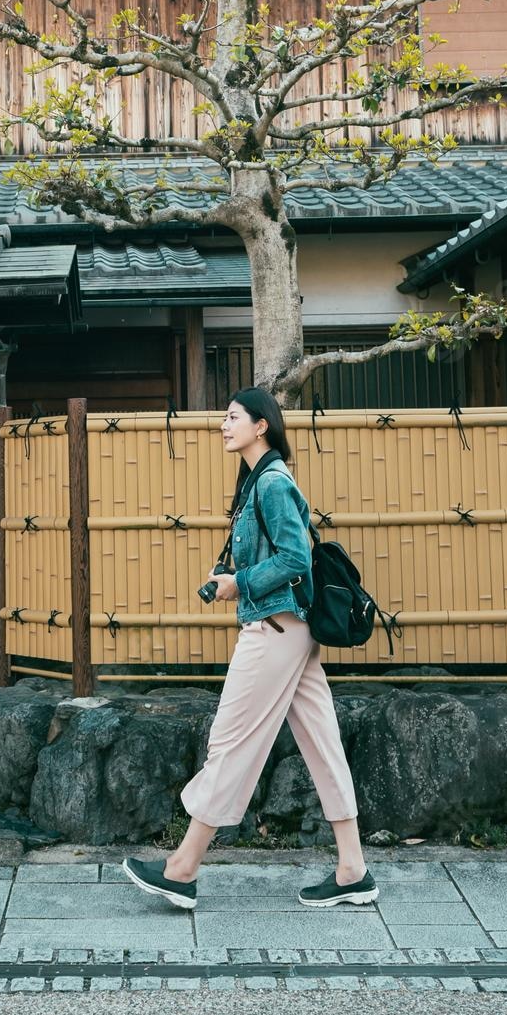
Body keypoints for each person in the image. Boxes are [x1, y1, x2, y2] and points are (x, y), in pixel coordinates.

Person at [121, 387, 375, 912]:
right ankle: (353, 870)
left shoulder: (274, 483)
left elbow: (295, 561)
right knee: (323, 745)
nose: (223, 425)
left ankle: (182, 869)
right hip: (291, 631)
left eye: (233, 417)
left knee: (231, 742)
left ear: (262, 425)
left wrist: (240, 583)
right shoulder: (259, 480)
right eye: (224, 417)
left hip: (275, 631)